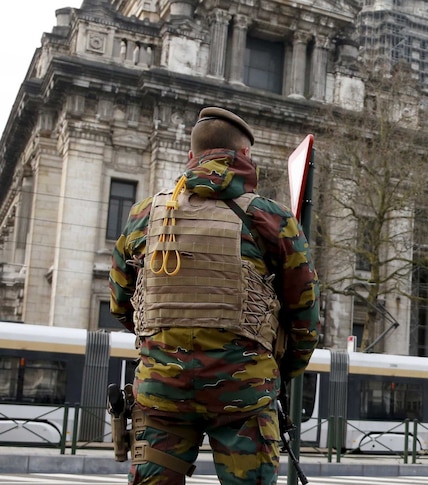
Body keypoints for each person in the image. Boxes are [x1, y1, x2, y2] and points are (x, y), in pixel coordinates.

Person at [109, 107, 320, 485]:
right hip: (245, 394)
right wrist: (278, 370)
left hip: (161, 392)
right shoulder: (272, 220)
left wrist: (163, 343)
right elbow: (304, 316)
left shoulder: (144, 216)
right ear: (246, 158)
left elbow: (121, 302)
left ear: (191, 158)